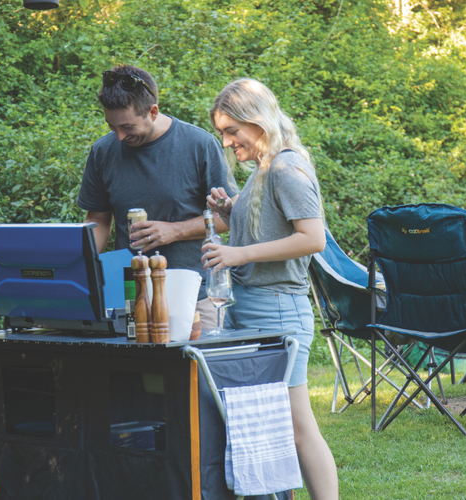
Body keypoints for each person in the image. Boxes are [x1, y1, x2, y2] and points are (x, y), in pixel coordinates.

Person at [201, 78, 339, 500]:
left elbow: (312, 238)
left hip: (279, 310)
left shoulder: (285, 167)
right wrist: (232, 210)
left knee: (298, 427)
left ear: (257, 122)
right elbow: (272, 226)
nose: (226, 143)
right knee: (265, 424)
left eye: (231, 131)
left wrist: (237, 255)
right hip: (254, 308)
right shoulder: (265, 169)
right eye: (222, 133)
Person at [76, 65, 237, 326]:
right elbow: (98, 220)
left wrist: (175, 231)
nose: (119, 136)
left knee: (192, 368)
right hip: (129, 296)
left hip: (194, 296)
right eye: (111, 126)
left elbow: (228, 218)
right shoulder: (103, 151)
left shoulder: (199, 145)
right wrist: (79, 269)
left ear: (153, 112)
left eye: (127, 126)